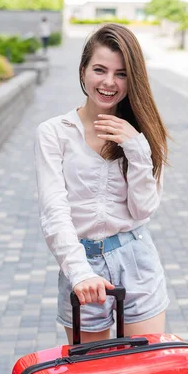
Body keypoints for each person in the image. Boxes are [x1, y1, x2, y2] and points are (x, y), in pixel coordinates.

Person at [34, 24, 170, 345]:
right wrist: (79, 272)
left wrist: (136, 148)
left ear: (132, 79)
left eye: (121, 74)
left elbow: (143, 209)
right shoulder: (55, 132)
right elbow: (55, 211)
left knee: (144, 371)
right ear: (83, 70)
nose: (109, 82)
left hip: (136, 259)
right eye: (100, 70)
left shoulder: (142, 132)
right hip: (82, 266)